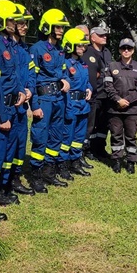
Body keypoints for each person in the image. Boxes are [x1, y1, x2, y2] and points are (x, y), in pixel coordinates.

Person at [28, 8, 71, 189]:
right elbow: (32, 79)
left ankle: (49, 171)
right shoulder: (37, 49)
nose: (61, 30)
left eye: (62, 27)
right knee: (40, 136)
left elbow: (63, 72)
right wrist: (35, 105)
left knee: (55, 135)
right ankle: (35, 175)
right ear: (48, 27)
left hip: (59, 99)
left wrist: (66, 80)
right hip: (44, 100)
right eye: (58, 27)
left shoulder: (60, 50)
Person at [0, 0, 24, 205]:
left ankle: (3, 190)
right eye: (11, 19)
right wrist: (3, 115)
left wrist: (21, 91)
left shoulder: (11, 45)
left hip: (13, 107)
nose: (14, 23)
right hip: (3, 110)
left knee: (9, 154)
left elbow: (14, 75)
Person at [9, 3, 43, 194]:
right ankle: (5, 181)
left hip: (22, 105)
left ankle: (15, 177)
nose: (24, 27)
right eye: (20, 23)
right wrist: (22, 89)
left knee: (21, 144)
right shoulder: (6, 47)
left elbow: (31, 72)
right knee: (8, 146)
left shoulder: (24, 48)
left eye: (25, 24)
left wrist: (29, 90)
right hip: (10, 104)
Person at [105, 38, 137, 174]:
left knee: (131, 136)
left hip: (132, 109)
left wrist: (126, 100)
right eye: (123, 48)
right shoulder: (111, 66)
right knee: (116, 135)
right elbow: (108, 86)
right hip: (114, 108)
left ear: (133, 50)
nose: (126, 50)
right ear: (119, 50)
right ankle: (117, 161)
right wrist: (118, 100)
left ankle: (131, 162)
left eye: (129, 48)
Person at [61, 28, 93, 176]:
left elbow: (86, 82)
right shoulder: (66, 63)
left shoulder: (83, 63)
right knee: (67, 137)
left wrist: (89, 89)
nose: (82, 48)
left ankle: (75, 161)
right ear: (70, 45)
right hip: (71, 105)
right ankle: (63, 165)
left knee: (78, 137)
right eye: (79, 45)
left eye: (83, 45)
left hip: (83, 106)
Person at [82, 25, 112, 161]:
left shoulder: (107, 52)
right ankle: (88, 149)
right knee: (90, 124)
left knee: (103, 124)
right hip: (94, 93)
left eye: (105, 35)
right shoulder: (87, 51)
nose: (104, 37)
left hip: (107, 94)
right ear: (92, 37)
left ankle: (100, 148)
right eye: (101, 35)